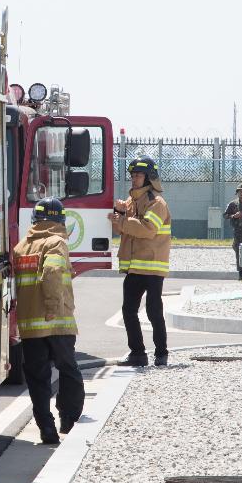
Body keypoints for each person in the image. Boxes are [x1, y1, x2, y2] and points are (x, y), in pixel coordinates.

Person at [12, 197, 84, 445]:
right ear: (60, 220)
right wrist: (53, 307)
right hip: (57, 322)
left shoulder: (21, 247)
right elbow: (52, 273)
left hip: (31, 327)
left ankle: (47, 429)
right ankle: (69, 420)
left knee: (37, 378)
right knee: (69, 370)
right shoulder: (57, 242)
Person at [109, 156, 172, 367]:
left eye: (138, 175)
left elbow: (147, 229)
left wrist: (123, 219)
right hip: (135, 268)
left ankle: (161, 354)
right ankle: (137, 353)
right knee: (128, 311)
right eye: (133, 175)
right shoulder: (130, 202)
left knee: (154, 312)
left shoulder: (157, 203)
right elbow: (120, 228)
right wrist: (119, 213)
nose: (134, 179)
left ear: (149, 178)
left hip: (153, 268)